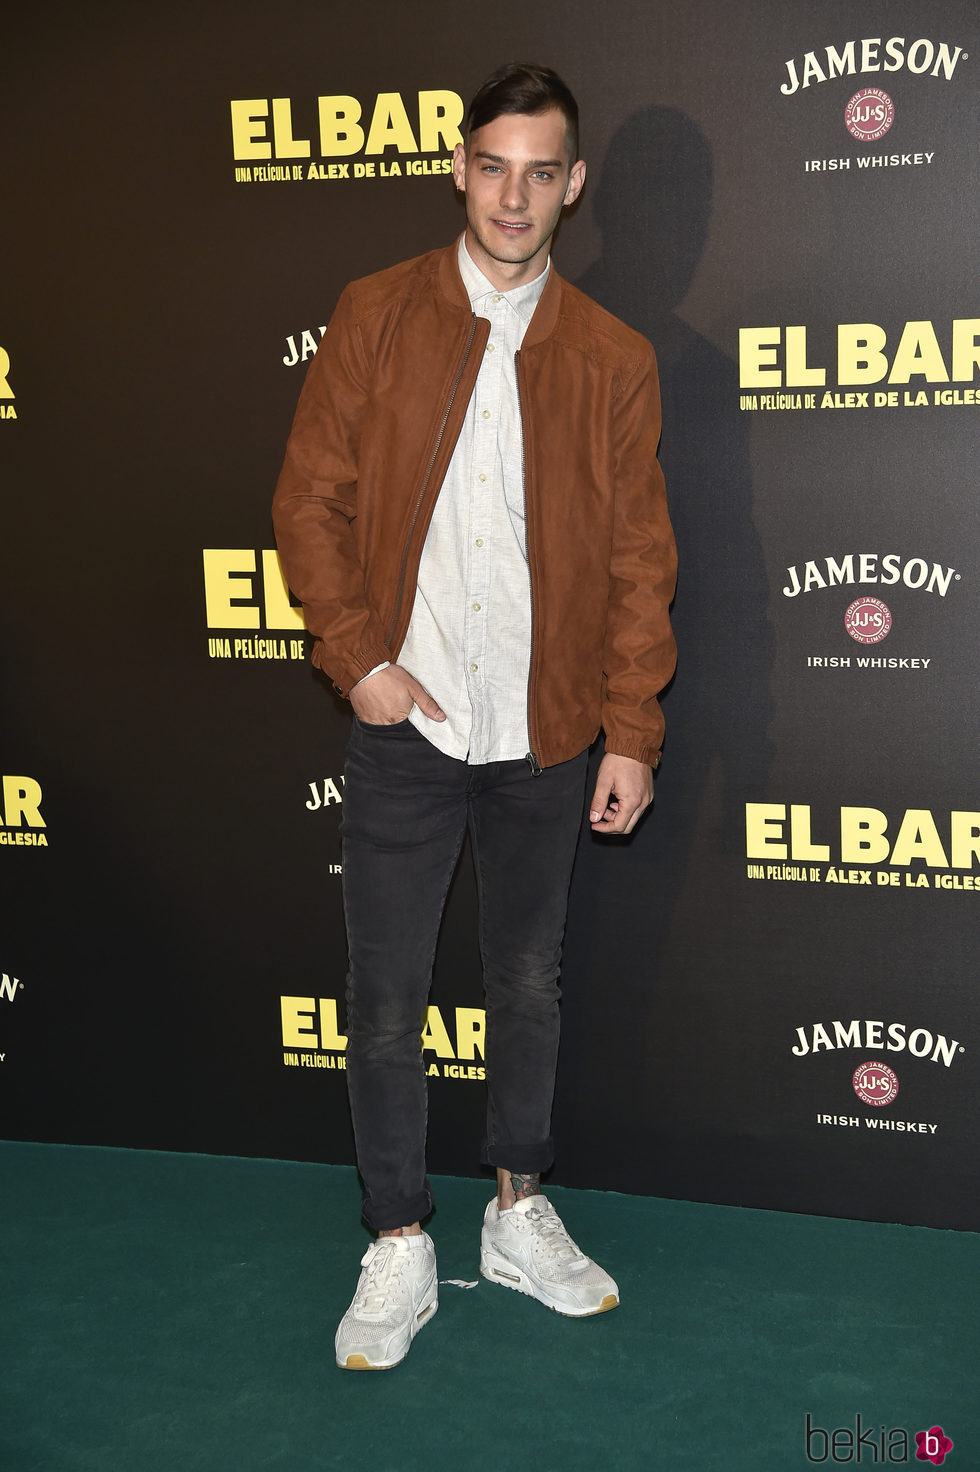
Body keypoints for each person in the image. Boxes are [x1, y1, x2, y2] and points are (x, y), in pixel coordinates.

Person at [272, 61, 677, 1371]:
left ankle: (516, 1214)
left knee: (527, 981)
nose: (515, 194)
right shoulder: (377, 313)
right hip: (408, 724)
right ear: (459, 168)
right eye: (492, 165)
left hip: (547, 730)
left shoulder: (613, 357)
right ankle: (396, 1238)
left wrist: (631, 728)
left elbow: (637, 559)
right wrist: (360, 658)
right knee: (386, 995)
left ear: (574, 185)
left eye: (541, 170)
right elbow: (307, 503)